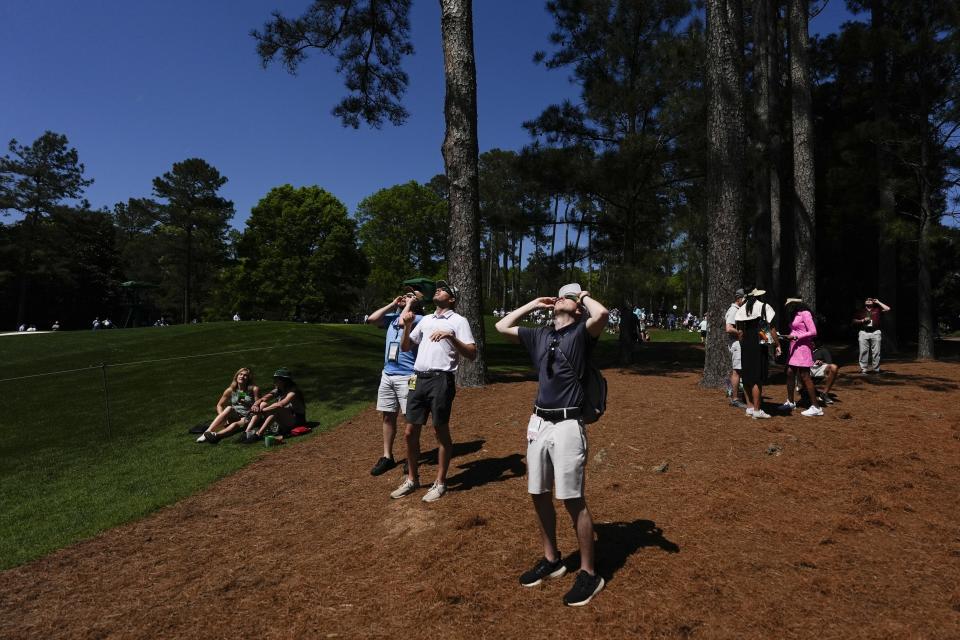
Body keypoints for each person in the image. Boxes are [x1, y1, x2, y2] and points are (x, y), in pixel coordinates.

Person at [495, 283, 609, 607]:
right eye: (560, 294)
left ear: (578, 308)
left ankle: (589, 572)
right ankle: (553, 559)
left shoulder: (583, 334)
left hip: (569, 423)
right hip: (539, 422)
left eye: (570, 297)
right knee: (537, 492)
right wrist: (533, 303)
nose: (563, 297)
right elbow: (501, 326)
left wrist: (582, 296)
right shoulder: (540, 335)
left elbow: (601, 313)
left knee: (572, 498)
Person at [390, 280, 476, 503]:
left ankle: (440, 482)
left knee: (440, 432)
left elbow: (472, 353)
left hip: (441, 380)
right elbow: (407, 347)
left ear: (452, 299)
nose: (438, 290)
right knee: (409, 432)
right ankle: (412, 479)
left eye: (443, 290)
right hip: (418, 379)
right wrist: (408, 326)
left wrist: (450, 336)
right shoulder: (426, 319)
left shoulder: (459, 321)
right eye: (438, 289)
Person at [365, 286, 426, 476]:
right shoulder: (392, 317)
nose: (405, 297)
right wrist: (393, 304)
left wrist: (408, 304)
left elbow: (402, 322)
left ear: (417, 302)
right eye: (405, 294)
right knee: (388, 415)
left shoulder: (419, 319)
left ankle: (411, 457)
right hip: (388, 374)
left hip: (408, 376)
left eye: (411, 295)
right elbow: (372, 319)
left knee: (410, 419)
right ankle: (387, 456)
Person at [735, 289, 781, 419]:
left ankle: (750, 406)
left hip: (746, 343)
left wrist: (742, 343)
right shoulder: (764, 307)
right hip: (758, 342)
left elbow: (740, 330)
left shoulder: (743, 308)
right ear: (760, 296)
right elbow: (771, 328)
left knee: (747, 375)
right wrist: (777, 344)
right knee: (757, 377)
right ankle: (756, 409)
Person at [777, 299, 823, 416]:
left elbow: (813, 332)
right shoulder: (794, 315)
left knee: (805, 376)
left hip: (803, 349)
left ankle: (816, 407)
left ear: (793, 305)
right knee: (789, 372)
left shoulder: (805, 314)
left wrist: (796, 337)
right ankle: (790, 401)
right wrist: (788, 337)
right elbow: (794, 330)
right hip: (793, 348)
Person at [241, 368, 306, 443]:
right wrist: (255, 405)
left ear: (284, 381)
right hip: (286, 419)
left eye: (277, 379)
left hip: (297, 422)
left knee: (276, 407)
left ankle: (258, 434)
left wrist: (261, 411)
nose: (274, 381)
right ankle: (247, 432)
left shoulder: (293, 391)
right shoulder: (278, 389)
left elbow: (281, 404)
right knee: (263, 404)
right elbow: (263, 398)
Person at [198, 368, 261, 443]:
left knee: (234, 425)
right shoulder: (231, 390)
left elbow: (258, 406)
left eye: (245, 375)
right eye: (240, 374)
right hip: (235, 414)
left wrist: (246, 403)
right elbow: (219, 405)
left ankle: (215, 436)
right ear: (236, 376)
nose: (242, 376)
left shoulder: (254, 389)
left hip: (248, 415)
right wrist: (223, 417)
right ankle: (206, 433)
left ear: (248, 378)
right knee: (228, 408)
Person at [854, 297, 890, 374]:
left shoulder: (877, 310)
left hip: (875, 332)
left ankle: (876, 369)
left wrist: (878, 302)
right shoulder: (861, 311)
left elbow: (888, 309)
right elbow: (854, 320)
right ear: (864, 302)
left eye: (870, 300)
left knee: (876, 352)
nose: (869, 301)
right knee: (863, 352)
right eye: (867, 300)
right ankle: (863, 369)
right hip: (863, 332)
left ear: (873, 302)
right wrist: (862, 320)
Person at [725, 288, 748, 408]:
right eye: (744, 299)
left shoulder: (739, 309)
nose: (745, 301)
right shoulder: (733, 310)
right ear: (739, 299)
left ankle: (738, 395)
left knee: (740, 370)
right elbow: (728, 328)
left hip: (738, 343)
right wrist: (740, 332)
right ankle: (735, 398)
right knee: (737, 371)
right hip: (736, 343)